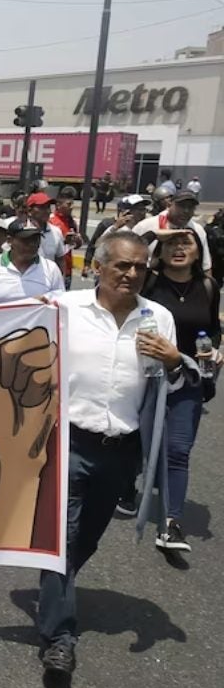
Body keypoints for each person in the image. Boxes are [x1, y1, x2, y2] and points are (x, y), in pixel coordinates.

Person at [37, 230, 187, 682]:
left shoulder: (157, 317)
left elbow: (173, 389)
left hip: (122, 452)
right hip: (68, 442)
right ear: (97, 267)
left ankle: (54, 585)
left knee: (87, 539)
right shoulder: (62, 308)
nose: (131, 274)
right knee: (63, 538)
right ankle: (60, 639)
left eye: (140, 266)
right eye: (122, 265)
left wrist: (174, 360)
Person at [139, 229, 221, 552]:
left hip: (189, 379)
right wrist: (155, 233)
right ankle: (133, 485)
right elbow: (126, 247)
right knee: (139, 445)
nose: (178, 248)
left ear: (198, 254)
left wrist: (216, 350)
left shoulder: (208, 286)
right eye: (171, 243)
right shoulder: (147, 282)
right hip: (145, 376)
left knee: (178, 450)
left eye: (186, 243)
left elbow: (214, 328)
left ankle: (171, 523)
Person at [0, 220, 65, 306]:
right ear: (10, 240)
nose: (32, 244)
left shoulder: (51, 269)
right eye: (25, 240)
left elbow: (61, 305)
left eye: (35, 239)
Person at [132, 188, 212, 273]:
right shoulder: (146, 226)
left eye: (191, 207)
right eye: (181, 206)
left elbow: (205, 266)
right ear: (169, 205)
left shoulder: (198, 230)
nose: (186, 211)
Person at [82, 195, 148, 276]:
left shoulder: (145, 227)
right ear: (127, 212)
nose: (143, 213)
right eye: (140, 209)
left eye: (144, 209)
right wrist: (87, 264)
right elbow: (96, 244)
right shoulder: (110, 226)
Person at [48, 187, 84, 290]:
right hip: (53, 268)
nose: (72, 207)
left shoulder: (71, 222)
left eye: (72, 204)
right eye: (68, 204)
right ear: (58, 205)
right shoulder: (51, 221)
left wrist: (77, 241)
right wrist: (64, 241)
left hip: (67, 269)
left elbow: (76, 246)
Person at [25, 193, 69, 267]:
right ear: (30, 211)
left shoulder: (56, 232)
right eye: (42, 207)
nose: (47, 211)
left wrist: (61, 278)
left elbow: (60, 260)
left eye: (48, 207)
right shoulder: (22, 232)